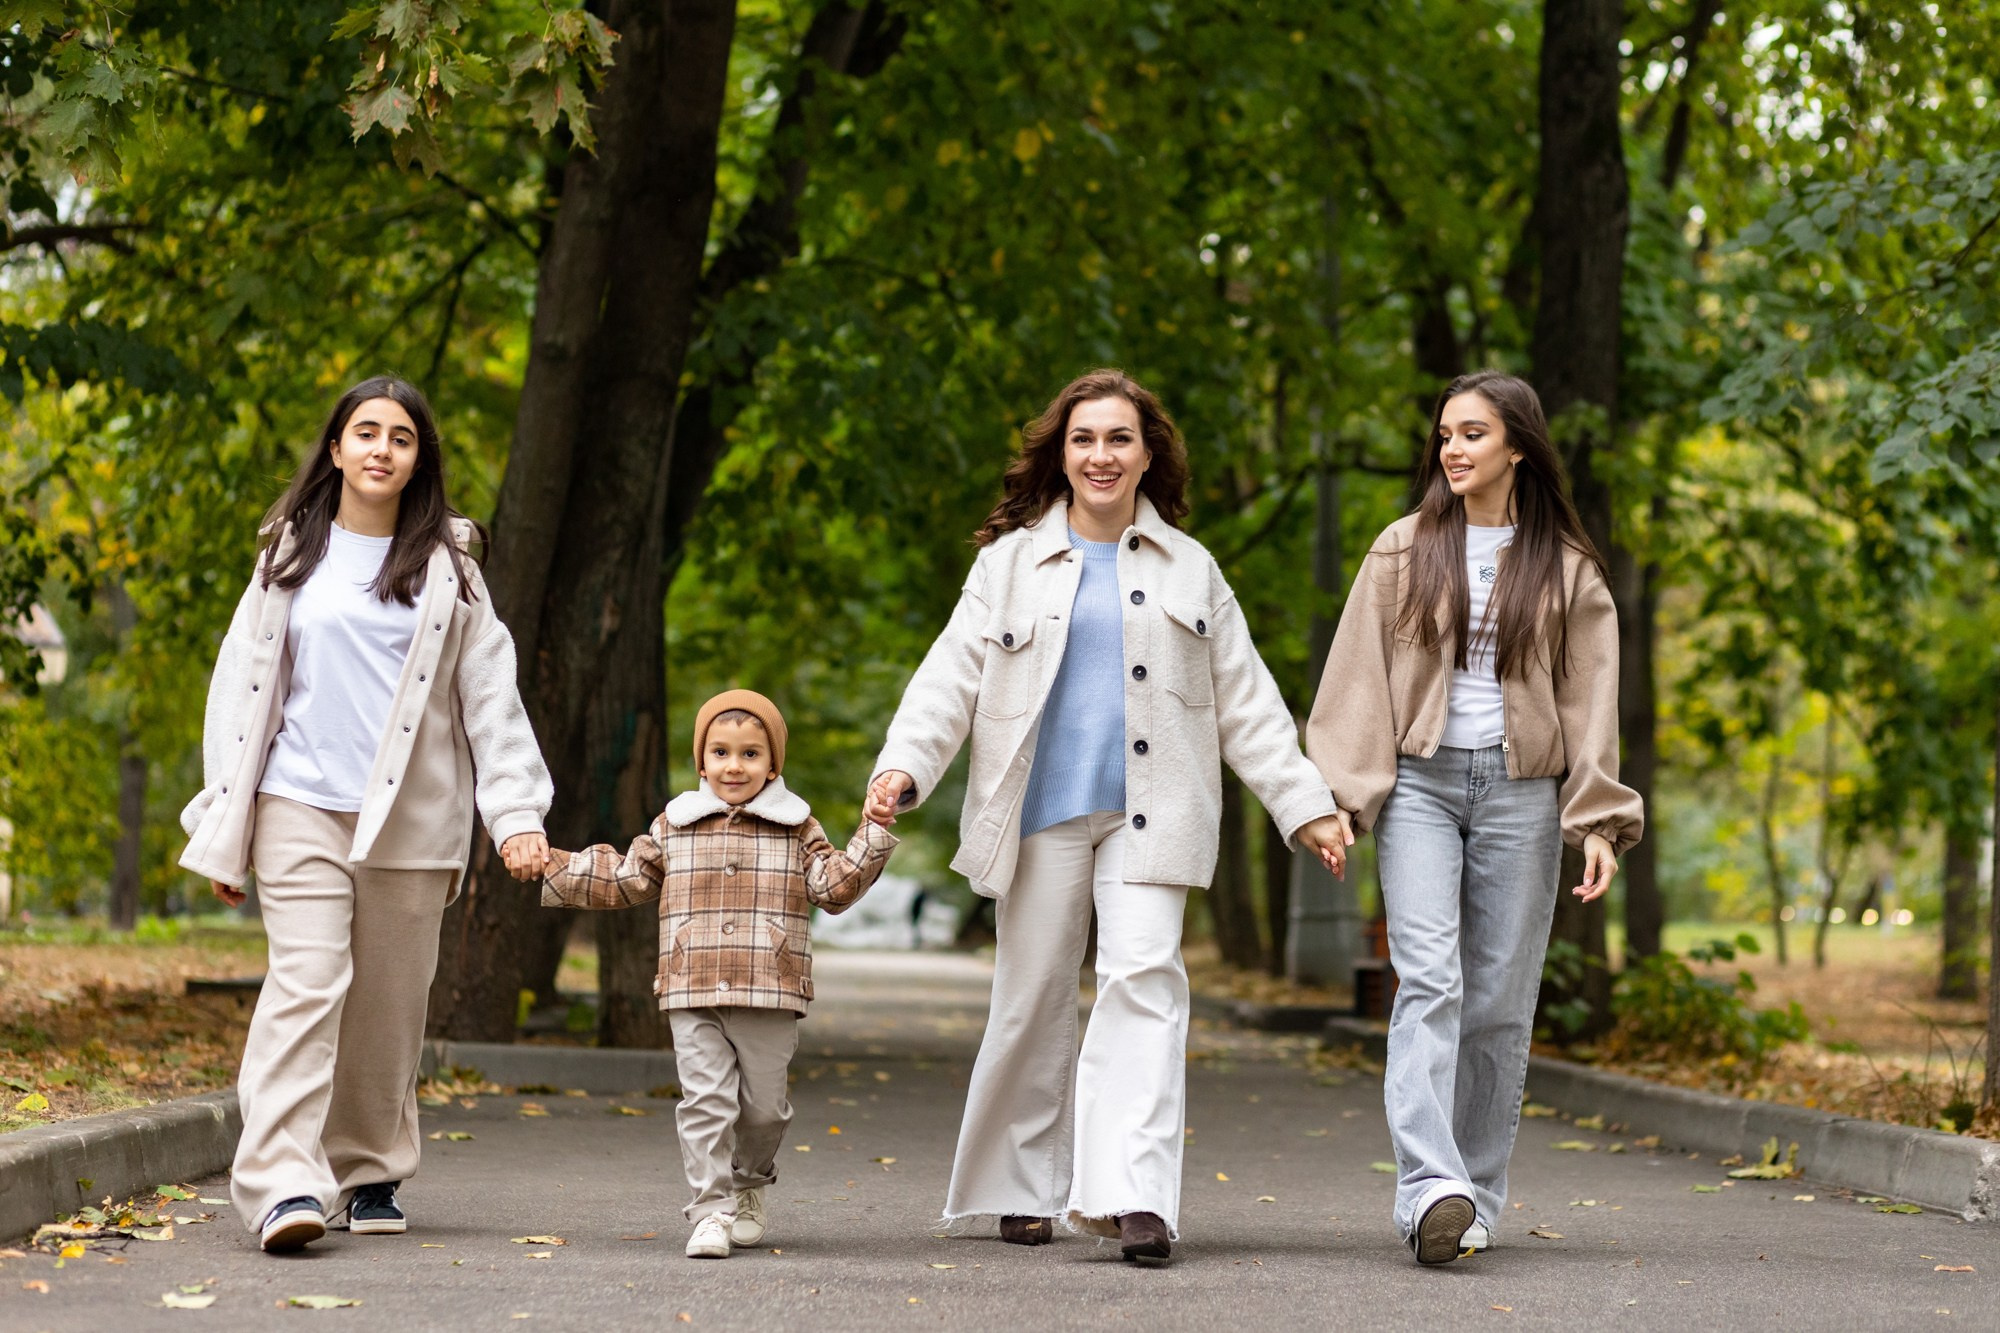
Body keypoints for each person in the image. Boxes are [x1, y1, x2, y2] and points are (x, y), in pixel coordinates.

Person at [864, 368, 1350, 1264]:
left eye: (1119, 438)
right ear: (1061, 452)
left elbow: (1245, 701)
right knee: (1031, 996)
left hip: (1152, 818)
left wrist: (1304, 805)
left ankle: (1134, 1196)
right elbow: (947, 681)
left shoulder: (1191, 568)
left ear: (1147, 453)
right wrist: (903, 767)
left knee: (1145, 983)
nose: (1101, 454)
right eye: (1084, 438)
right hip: (1040, 814)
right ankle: (1019, 1185)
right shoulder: (1007, 565)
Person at [179, 375, 553, 1253]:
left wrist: (517, 816)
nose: (382, 448)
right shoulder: (286, 557)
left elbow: (489, 699)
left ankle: (369, 1165)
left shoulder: (449, 570)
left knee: (387, 1004)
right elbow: (238, 692)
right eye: (366, 431)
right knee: (305, 985)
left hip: (411, 822)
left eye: (402, 437)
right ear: (338, 448)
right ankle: (279, 1185)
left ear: (419, 459)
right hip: (298, 803)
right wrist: (222, 824)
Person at [1306, 370, 1644, 1265]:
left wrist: (1599, 822)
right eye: (1446, 435)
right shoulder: (1402, 548)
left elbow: (1591, 702)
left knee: (1498, 1002)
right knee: (1429, 979)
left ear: (1518, 447)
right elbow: (1355, 681)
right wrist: (1337, 799)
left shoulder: (1566, 568)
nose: (1452, 449)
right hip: (1418, 784)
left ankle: (1475, 1197)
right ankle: (1431, 1189)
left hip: (1523, 793)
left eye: (1472, 434)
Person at [540, 689, 897, 1260]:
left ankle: (750, 1184)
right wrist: (551, 864)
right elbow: (624, 877)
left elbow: (833, 888)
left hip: (769, 987)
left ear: (773, 764)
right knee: (706, 1101)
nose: (735, 766)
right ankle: (709, 1210)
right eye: (722, 752)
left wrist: (873, 830)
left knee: (763, 1110)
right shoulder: (676, 824)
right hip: (692, 984)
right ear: (701, 762)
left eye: (751, 754)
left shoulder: (796, 827)